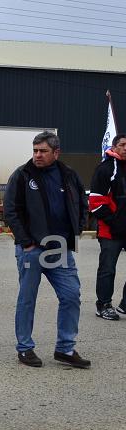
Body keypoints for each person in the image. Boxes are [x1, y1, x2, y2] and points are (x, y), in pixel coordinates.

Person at [4, 131, 90, 368]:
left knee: (71, 296)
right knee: (27, 299)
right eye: (35, 150)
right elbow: (11, 210)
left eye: (43, 151)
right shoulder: (22, 175)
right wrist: (26, 242)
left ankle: (65, 348)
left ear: (56, 152)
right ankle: (25, 348)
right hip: (32, 250)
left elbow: (82, 203)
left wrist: (78, 228)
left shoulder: (68, 175)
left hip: (61, 250)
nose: (37, 155)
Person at [89, 134, 126, 321]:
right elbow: (95, 203)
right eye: (123, 144)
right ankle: (103, 304)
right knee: (108, 269)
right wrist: (116, 221)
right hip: (110, 230)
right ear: (115, 147)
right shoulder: (105, 169)